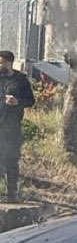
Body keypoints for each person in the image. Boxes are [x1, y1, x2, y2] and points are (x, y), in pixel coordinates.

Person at [0, 50, 34, 202]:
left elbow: (30, 100)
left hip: (12, 126)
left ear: (9, 63)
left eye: (1, 62)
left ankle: (12, 194)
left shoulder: (21, 80)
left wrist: (18, 101)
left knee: (11, 160)